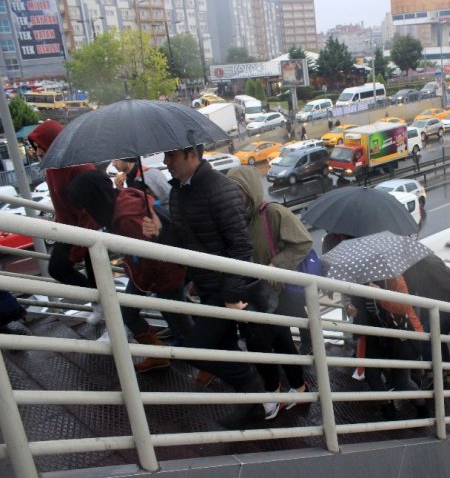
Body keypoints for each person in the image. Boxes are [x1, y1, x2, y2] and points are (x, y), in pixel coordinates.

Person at [143, 145, 278, 428]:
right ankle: (252, 406)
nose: (166, 160)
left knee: (196, 346)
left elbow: (241, 246)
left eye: (172, 155)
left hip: (225, 288)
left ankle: (256, 390)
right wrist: (158, 233)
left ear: (193, 155)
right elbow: (182, 241)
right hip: (206, 285)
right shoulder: (180, 190)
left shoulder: (221, 189)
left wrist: (230, 294)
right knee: (223, 347)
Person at [68, 171, 193, 373]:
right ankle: (159, 355)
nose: (86, 212)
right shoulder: (126, 196)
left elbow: (150, 253)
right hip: (159, 270)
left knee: (179, 322)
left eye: (85, 205)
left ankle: (210, 366)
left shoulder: (124, 217)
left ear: (94, 200)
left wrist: (144, 284)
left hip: (161, 274)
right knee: (167, 314)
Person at [226, 166, 311, 408]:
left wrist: (276, 266)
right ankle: (300, 386)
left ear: (250, 190)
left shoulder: (272, 213)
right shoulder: (235, 219)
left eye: (238, 192)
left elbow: (302, 242)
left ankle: (273, 393)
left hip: (277, 292)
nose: (233, 198)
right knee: (282, 341)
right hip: (253, 294)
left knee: (256, 343)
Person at [27, 120, 102, 323]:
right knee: (59, 269)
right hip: (69, 228)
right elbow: (61, 202)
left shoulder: (79, 166)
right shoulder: (52, 165)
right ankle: (100, 305)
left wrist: (77, 249)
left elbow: (91, 212)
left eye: (38, 145)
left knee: (96, 277)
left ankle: (106, 313)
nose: (36, 151)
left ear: (51, 142)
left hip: (88, 230)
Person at [346, 275, 428, 420]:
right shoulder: (359, 277)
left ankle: (422, 405)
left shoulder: (394, 277)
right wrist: (349, 308)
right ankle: (387, 407)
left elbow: (404, 306)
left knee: (401, 382)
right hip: (373, 335)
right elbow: (350, 300)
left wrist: (380, 294)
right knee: (371, 375)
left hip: (396, 335)